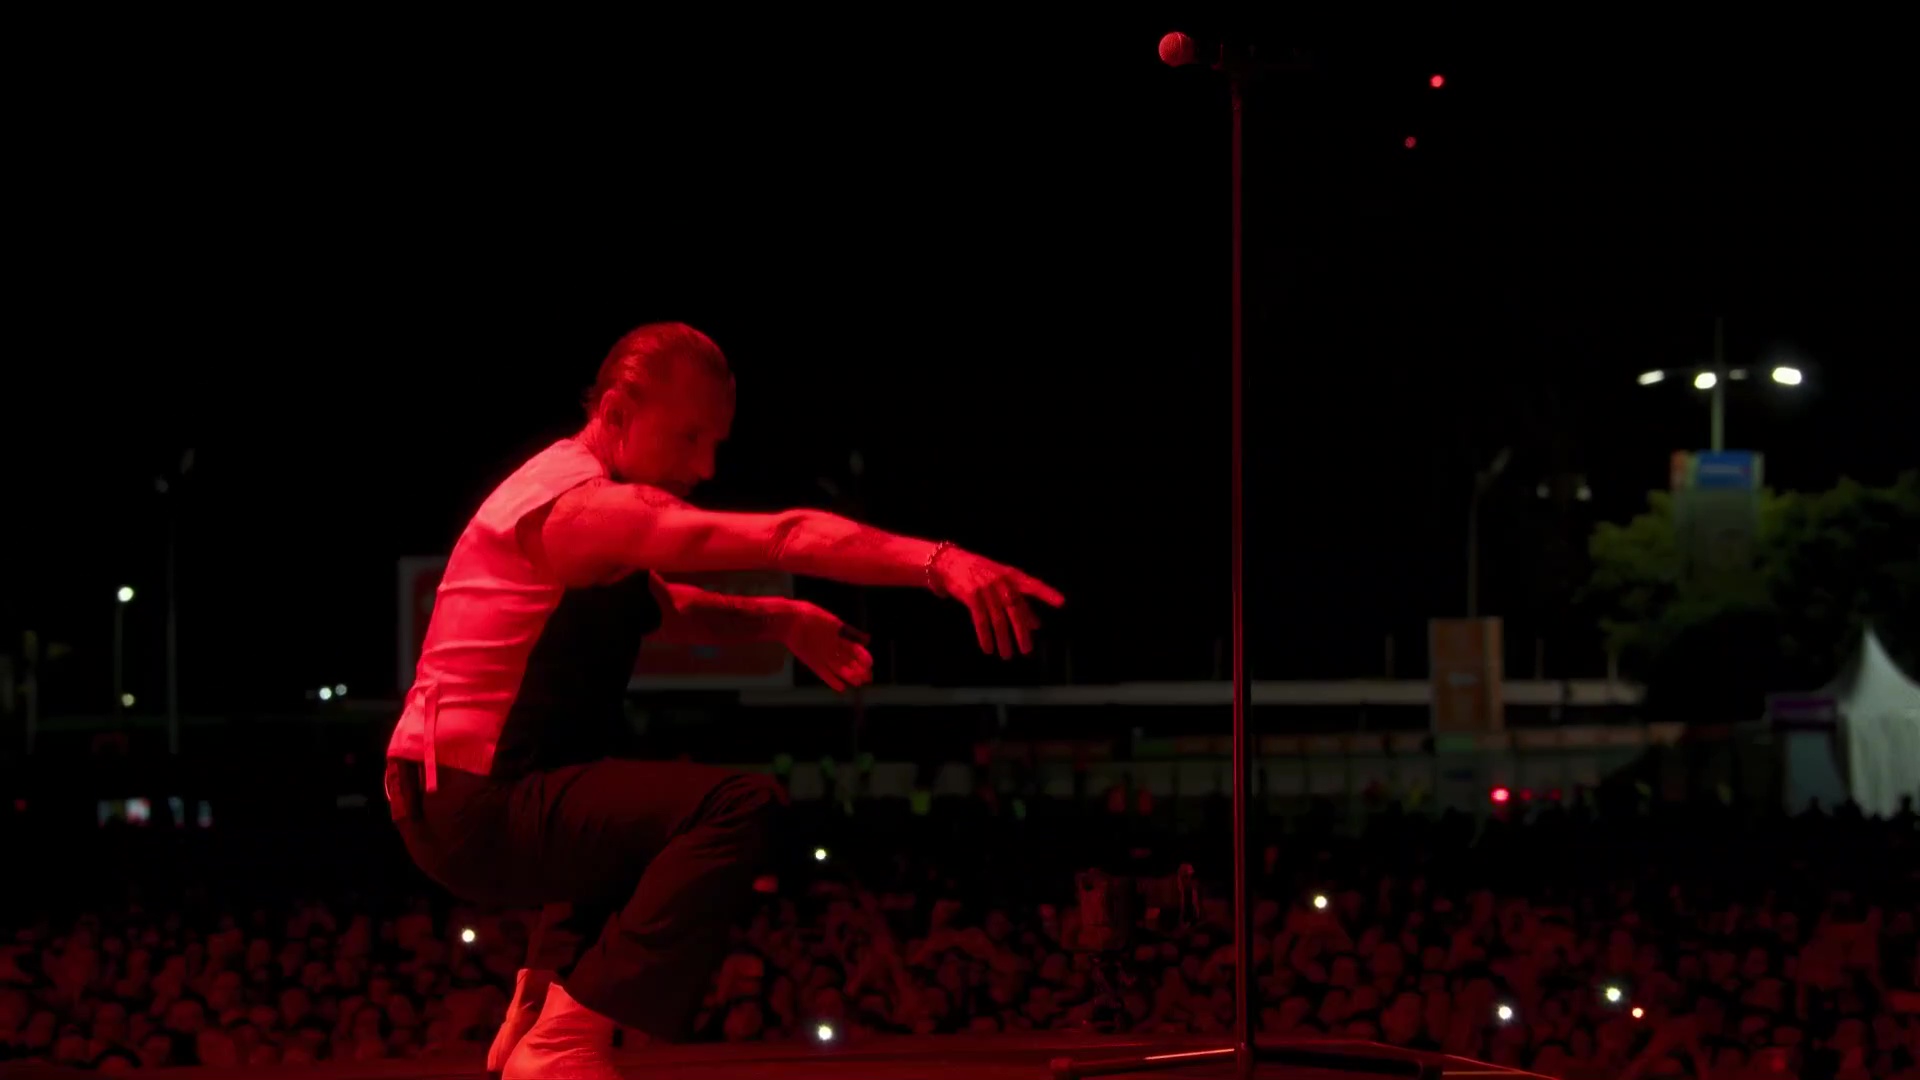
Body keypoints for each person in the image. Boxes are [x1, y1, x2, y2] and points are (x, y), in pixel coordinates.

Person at [383, 322, 1064, 1079]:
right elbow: (786, 535)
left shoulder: (566, 497)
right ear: (616, 413)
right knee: (734, 808)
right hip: (476, 805)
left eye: (716, 443)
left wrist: (778, 619)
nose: (705, 466)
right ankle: (565, 1039)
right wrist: (940, 563)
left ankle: (537, 1007)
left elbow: (663, 605)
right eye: (689, 438)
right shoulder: (581, 510)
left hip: (457, 795)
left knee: (629, 810)